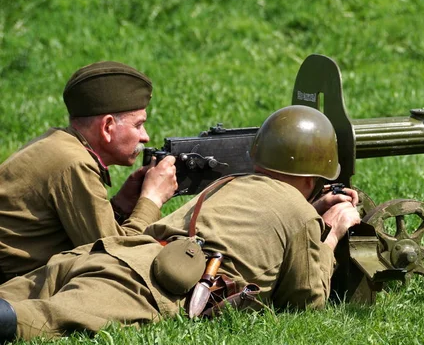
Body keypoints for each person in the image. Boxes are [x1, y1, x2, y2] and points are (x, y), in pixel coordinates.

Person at [0, 105, 361, 341]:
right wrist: (332, 231)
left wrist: (310, 214)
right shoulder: (298, 215)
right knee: (39, 319)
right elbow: (306, 301)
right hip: (148, 285)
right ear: (314, 179)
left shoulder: (229, 183)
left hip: (107, 254)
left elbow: (266, 216)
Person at [0, 61, 178, 283]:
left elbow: (78, 232)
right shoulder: (74, 163)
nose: (145, 136)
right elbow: (114, 259)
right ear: (107, 127)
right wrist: (152, 198)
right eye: (138, 125)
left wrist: (121, 205)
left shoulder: (59, 143)